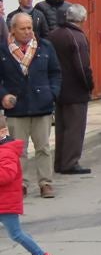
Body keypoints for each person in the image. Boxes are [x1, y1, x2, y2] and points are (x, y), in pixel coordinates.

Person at [0, 13, 61, 198]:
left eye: (30, 28)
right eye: (23, 28)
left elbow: (55, 72)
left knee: (43, 147)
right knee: (19, 149)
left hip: (42, 105)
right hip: (16, 108)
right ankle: (20, 184)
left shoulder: (45, 46)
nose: (27, 32)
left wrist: (52, 93)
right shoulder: (3, 50)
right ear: (13, 30)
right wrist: (3, 96)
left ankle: (45, 183)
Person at [0, 114, 53, 255]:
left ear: (2, 132)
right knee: (16, 232)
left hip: (6, 202)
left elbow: (7, 174)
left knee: (16, 233)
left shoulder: (6, 152)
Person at [49, 4, 94, 175]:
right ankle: (70, 162)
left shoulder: (54, 34)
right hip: (75, 89)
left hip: (58, 88)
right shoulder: (77, 37)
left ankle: (60, 162)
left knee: (61, 127)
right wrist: (89, 85)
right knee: (75, 127)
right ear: (82, 19)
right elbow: (83, 66)